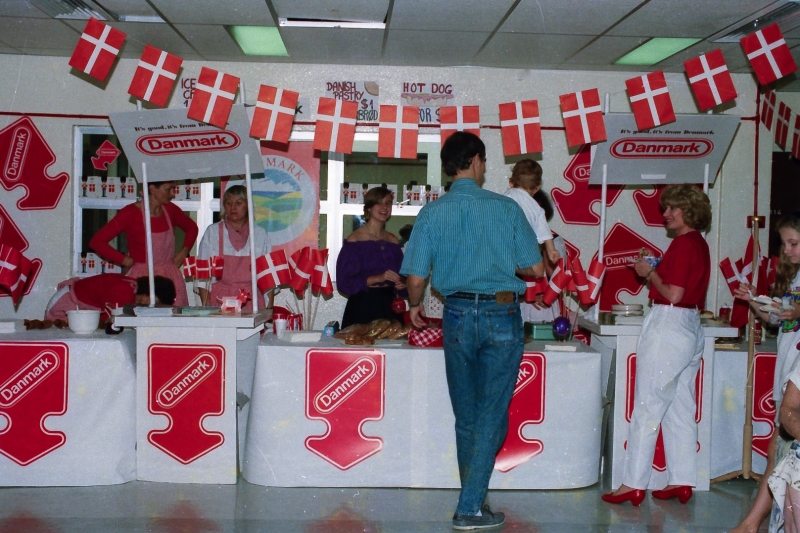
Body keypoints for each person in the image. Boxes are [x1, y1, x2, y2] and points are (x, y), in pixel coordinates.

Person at [400, 131, 543, 530]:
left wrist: (414, 305)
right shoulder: (505, 208)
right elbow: (535, 268)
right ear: (478, 160)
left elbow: (415, 277)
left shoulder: (432, 212)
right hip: (501, 313)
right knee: (492, 413)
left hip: (457, 314)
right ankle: (469, 507)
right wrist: (499, 258)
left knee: (466, 416)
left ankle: (475, 498)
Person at [602, 184, 711, 506]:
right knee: (681, 406)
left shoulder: (682, 244)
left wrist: (649, 273)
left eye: (672, 208)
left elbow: (673, 293)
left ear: (688, 211)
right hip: (690, 324)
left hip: (669, 323)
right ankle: (682, 479)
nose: (666, 214)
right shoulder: (699, 244)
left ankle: (633, 483)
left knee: (648, 405)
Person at [731, 212, 800, 533]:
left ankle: (752, 523)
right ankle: (756, 522)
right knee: (779, 452)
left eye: (793, 243)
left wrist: (795, 310)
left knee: (778, 451)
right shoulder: (795, 279)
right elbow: (776, 318)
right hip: (789, 373)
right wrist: (754, 301)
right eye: (784, 244)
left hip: (796, 377)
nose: (787, 250)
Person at [89, 180, 198, 307]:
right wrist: (124, 260)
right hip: (142, 280)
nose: (173, 194)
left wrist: (183, 252)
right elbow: (96, 242)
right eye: (168, 189)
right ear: (152, 189)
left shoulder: (170, 210)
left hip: (169, 279)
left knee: (172, 317)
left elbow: (192, 228)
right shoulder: (130, 213)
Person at [336, 186, 405, 328]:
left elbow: (403, 276)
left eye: (388, 203)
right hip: (363, 306)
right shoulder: (355, 240)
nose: (384, 207)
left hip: (390, 305)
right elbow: (344, 282)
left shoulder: (393, 241)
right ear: (368, 208)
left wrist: (403, 283)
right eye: (379, 203)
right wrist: (379, 278)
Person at [197, 185, 272, 312]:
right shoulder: (213, 232)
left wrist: (268, 310)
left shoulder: (259, 234)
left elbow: (268, 276)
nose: (233, 207)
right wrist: (207, 307)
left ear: (248, 205)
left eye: (238, 203)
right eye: (229, 203)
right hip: (219, 301)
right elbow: (203, 275)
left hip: (251, 301)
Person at [45, 273, 176, 322]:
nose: (152, 307)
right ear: (150, 292)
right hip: (64, 306)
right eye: (154, 302)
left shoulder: (133, 287)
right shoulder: (124, 292)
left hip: (76, 307)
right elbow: (109, 322)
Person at [503, 159, 560, 265]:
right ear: (537, 188)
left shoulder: (507, 196)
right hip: (527, 247)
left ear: (511, 182)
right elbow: (545, 231)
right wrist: (551, 250)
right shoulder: (536, 207)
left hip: (506, 245)